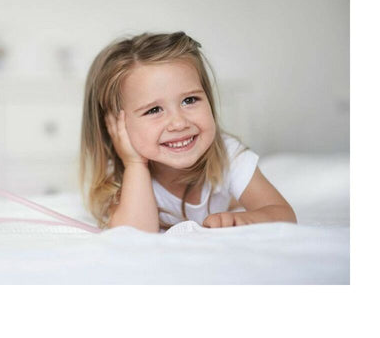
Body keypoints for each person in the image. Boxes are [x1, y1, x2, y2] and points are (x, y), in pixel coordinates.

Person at [79, 31, 296, 232]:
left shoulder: (229, 155)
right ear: (115, 126)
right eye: (154, 110)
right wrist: (135, 164)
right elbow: (133, 235)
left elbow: (283, 214)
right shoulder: (120, 176)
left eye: (190, 100)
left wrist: (242, 220)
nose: (179, 123)